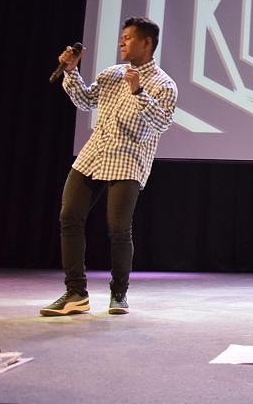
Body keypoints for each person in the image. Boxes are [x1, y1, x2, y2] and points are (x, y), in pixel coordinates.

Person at [40, 17, 178, 316]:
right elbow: (86, 101)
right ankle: (76, 292)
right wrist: (71, 70)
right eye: (121, 36)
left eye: (128, 37)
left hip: (128, 158)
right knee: (69, 216)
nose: (121, 42)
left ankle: (119, 293)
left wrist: (139, 91)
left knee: (118, 227)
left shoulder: (163, 84)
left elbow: (162, 123)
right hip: (94, 154)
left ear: (146, 43)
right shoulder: (111, 74)